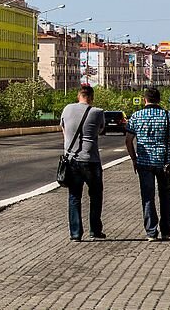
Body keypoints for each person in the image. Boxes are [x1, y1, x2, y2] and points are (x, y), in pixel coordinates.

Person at [125, 88, 170, 242]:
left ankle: (151, 232)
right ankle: (166, 231)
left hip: (144, 163)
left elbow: (128, 140)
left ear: (145, 100)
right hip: (164, 163)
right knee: (166, 196)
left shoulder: (136, 116)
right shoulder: (169, 116)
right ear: (159, 99)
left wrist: (134, 159)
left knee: (147, 197)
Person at [60, 85, 107, 241]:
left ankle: (75, 234)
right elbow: (100, 131)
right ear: (91, 98)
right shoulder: (98, 112)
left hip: (72, 161)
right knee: (95, 195)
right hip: (91, 160)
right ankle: (95, 231)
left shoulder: (67, 109)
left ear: (78, 96)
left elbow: (64, 130)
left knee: (74, 196)